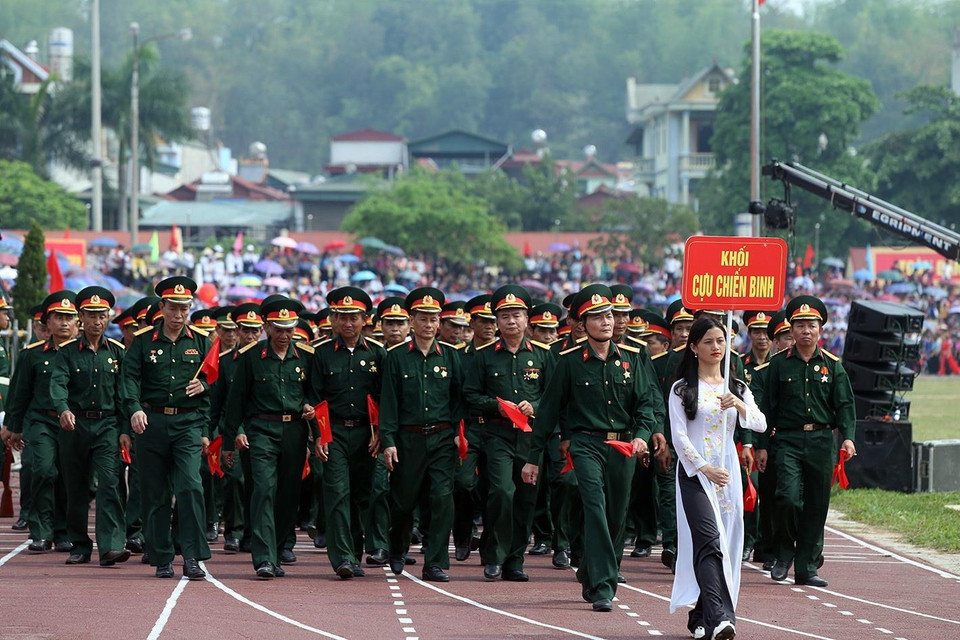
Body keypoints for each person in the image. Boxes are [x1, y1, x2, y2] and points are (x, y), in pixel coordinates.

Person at [523, 284, 662, 612]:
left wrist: (643, 433)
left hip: (624, 444)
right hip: (586, 444)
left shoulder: (631, 358)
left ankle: (589, 568)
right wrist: (532, 459)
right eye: (597, 317)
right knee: (595, 507)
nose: (606, 321)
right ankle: (602, 586)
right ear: (582, 325)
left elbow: (645, 403)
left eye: (609, 315)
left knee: (616, 513)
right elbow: (548, 412)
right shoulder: (569, 362)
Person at [668, 316, 767, 640]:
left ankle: (700, 618)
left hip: (727, 477)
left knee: (726, 544)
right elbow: (680, 438)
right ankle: (721, 617)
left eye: (721, 341)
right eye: (708, 341)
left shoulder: (736, 387)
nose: (716, 347)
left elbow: (760, 424)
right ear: (694, 347)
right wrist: (703, 467)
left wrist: (738, 404)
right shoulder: (681, 389)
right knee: (709, 542)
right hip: (695, 476)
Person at [120, 276, 213, 580]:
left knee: (190, 487)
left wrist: (205, 386)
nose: (178, 315)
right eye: (173, 308)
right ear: (162, 307)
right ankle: (161, 555)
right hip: (152, 422)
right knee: (156, 493)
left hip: (187, 423)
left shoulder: (200, 340)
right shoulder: (145, 340)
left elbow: (216, 383)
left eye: (184, 309)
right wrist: (134, 408)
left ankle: (192, 556)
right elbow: (129, 378)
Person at [760, 296, 856, 588]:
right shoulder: (778, 365)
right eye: (799, 325)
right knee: (786, 497)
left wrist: (848, 438)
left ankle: (807, 566)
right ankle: (783, 551)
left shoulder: (833, 366)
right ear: (792, 329)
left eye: (810, 325)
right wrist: (762, 444)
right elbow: (767, 407)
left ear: (820, 329)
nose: (805, 330)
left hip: (820, 440)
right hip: (787, 439)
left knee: (817, 504)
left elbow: (845, 405)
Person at [464, 285, 552, 582]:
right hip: (497, 435)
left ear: (528, 319)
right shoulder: (484, 356)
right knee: (501, 492)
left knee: (527, 499)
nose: (511, 321)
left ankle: (515, 560)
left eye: (517, 315)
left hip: (531, 438)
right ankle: (493, 555)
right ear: (497, 321)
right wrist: (498, 407)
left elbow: (554, 396)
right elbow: (470, 395)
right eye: (504, 316)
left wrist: (535, 405)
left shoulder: (543, 355)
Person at [225, 297, 315, 579]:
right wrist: (229, 440)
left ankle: (276, 550)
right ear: (267, 328)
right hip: (262, 430)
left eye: (289, 328)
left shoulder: (306, 357)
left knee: (288, 494)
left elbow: (315, 394)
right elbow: (236, 401)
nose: (285, 334)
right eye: (278, 328)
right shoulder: (251, 357)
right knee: (264, 489)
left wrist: (311, 410)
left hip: (295, 431)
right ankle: (264, 557)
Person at [380, 287, 464, 582]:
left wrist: (457, 433)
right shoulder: (397, 357)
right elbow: (389, 403)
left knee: (442, 498)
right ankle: (398, 548)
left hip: (442, 437)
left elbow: (458, 401)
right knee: (403, 501)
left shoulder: (452, 357)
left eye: (433, 319)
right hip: (408, 438)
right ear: (411, 320)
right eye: (422, 318)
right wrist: (388, 441)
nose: (428, 325)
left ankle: (436, 561)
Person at [49, 286, 131, 567]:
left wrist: (124, 429)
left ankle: (110, 546)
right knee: (77, 487)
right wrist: (63, 410)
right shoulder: (68, 352)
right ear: (81, 317)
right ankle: (80, 544)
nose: (97, 321)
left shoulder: (117, 353)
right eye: (91, 315)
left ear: (108, 317)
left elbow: (124, 394)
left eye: (102, 315)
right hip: (75, 426)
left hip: (107, 424)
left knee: (110, 483)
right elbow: (57, 384)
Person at [310, 286, 385, 579]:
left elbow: (384, 398)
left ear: (365, 319)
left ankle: (355, 550)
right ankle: (342, 557)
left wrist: (381, 433)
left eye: (354, 317)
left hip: (368, 435)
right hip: (336, 433)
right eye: (342, 317)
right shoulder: (321, 354)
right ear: (333, 319)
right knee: (338, 492)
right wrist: (318, 435)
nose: (348, 323)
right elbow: (316, 397)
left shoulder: (378, 354)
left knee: (363, 495)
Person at [4, 292, 80, 553]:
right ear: (47, 322)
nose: (64, 323)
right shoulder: (32, 355)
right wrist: (13, 427)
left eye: (69, 318)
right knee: (44, 471)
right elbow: (19, 393)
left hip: (72, 424)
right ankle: (40, 531)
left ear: (77, 322)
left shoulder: (83, 354)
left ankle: (63, 532)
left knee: (67, 478)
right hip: (41, 421)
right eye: (58, 317)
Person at [365, 297, 412, 566]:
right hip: (380, 432)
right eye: (390, 323)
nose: (395, 329)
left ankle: (401, 545)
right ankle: (379, 544)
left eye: (400, 323)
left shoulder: (416, 355)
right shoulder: (375, 355)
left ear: (410, 326)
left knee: (407, 492)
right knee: (380, 487)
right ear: (380, 325)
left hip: (413, 433)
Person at [219, 302, 266, 554]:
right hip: (233, 428)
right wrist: (234, 431)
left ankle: (252, 532)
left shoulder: (265, 358)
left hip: (260, 430)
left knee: (259, 484)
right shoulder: (227, 361)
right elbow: (223, 401)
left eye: (255, 330)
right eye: (245, 330)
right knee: (234, 479)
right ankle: (234, 531)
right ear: (237, 331)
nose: (250, 336)